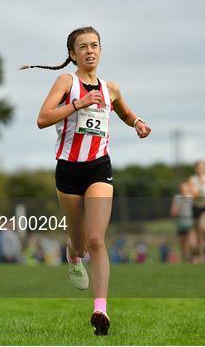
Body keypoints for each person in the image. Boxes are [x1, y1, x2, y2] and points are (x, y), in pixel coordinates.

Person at [22, 26, 151, 335]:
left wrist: (138, 123)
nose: (90, 51)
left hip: (98, 169)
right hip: (68, 171)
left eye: (95, 45)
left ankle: (100, 311)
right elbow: (42, 119)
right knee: (80, 246)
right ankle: (71, 252)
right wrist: (79, 103)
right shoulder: (66, 82)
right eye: (83, 47)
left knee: (96, 240)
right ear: (72, 54)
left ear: (101, 51)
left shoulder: (112, 89)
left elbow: (125, 112)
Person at [170, 182, 194, 263]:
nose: (183, 190)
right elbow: (173, 212)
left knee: (189, 241)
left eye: (185, 188)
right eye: (182, 188)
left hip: (190, 221)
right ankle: (184, 259)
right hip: (180, 221)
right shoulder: (177, 198)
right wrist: (177, 208)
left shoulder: (192, 197)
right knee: (182, 242)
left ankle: (190, 258)